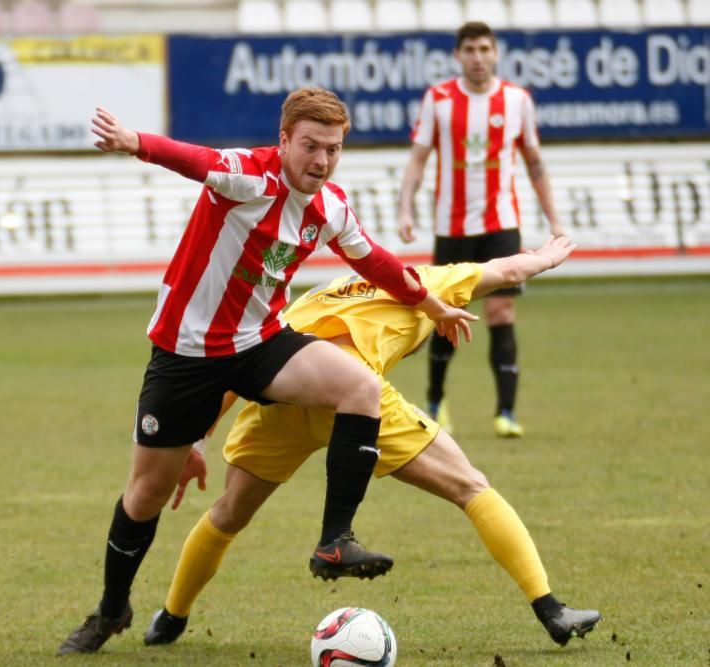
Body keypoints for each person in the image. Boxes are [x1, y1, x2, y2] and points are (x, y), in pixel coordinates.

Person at [57, 88, 478, 655]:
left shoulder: (328, 205)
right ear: (284, 141)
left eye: (333, 149)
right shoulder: (249, 175)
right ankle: (110, 611)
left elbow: (373, 259)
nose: (321, 161)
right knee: (147, 494)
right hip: (185, 356)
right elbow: (195, 159)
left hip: (259, 343)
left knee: (359, 386)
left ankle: (335, 541)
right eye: (310, 146)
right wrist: (137, 144)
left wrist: (429, 304)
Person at [142, 236, 601, 649]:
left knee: (227, 513)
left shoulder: (319, 293)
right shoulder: (434, 281)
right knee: (472, 487)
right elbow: (508, 270)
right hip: (356, 393)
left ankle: (170, 618)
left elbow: (241, 364)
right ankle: (551, 609)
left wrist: (198, 444)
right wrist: (544, 258)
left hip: (285, 393)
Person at [397, 21, 565, 438]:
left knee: (501, 310)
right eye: (469, 49)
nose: (477, 57)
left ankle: (506, 412)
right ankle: (436, 401)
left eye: (484, 49)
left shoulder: (517, 101)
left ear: (495, 53)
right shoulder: (438, 100)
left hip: (501, 223)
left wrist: (554, 218)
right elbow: (418, 159)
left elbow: (534, 162)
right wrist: (405, 208)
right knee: (443, 314)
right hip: (451, 225)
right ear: (457, 55)